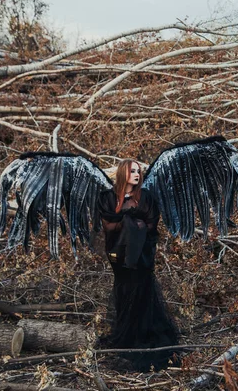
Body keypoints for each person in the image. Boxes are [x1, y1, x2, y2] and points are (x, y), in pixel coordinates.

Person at [96, 159, 179, 372]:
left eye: (138, 171)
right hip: (119, 256)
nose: (137, 174)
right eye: (132, 171)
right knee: (124, 290)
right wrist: (129, 220)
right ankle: (127, 336)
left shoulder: (146, 197)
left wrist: (131, 222)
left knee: (142, 290)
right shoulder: (107, 197)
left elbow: (152, 223)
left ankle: (142, 335)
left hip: (142, 257)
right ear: (123, 173)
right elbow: (108, 224)